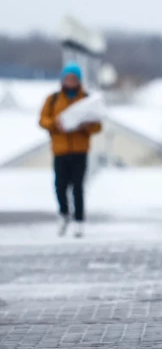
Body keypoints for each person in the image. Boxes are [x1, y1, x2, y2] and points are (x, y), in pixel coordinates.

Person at [39, 62, 102, 238]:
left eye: (73, 78)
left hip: (80, 149)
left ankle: (79, 221)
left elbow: (98, 125)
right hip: (60, 149)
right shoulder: (52, 100)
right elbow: (42, 120)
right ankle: (64, 213)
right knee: (60, 186)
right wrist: (55, 124)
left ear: (79, 80)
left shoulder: (87, 99)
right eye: (67, 78)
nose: (70, 81)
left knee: (78, 187)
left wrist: (86, 126)